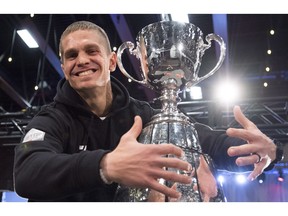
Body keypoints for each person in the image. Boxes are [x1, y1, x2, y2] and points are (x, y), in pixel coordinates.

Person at [13, 20, 282, 202]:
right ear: (63, 66)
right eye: (71, 55)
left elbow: (206, 140)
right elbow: (27, 173)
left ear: (112, 61)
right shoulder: (50, 119)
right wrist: (106, 166)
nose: (81, 60)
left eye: (91, 51)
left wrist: (264, 149)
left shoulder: (143, 115)